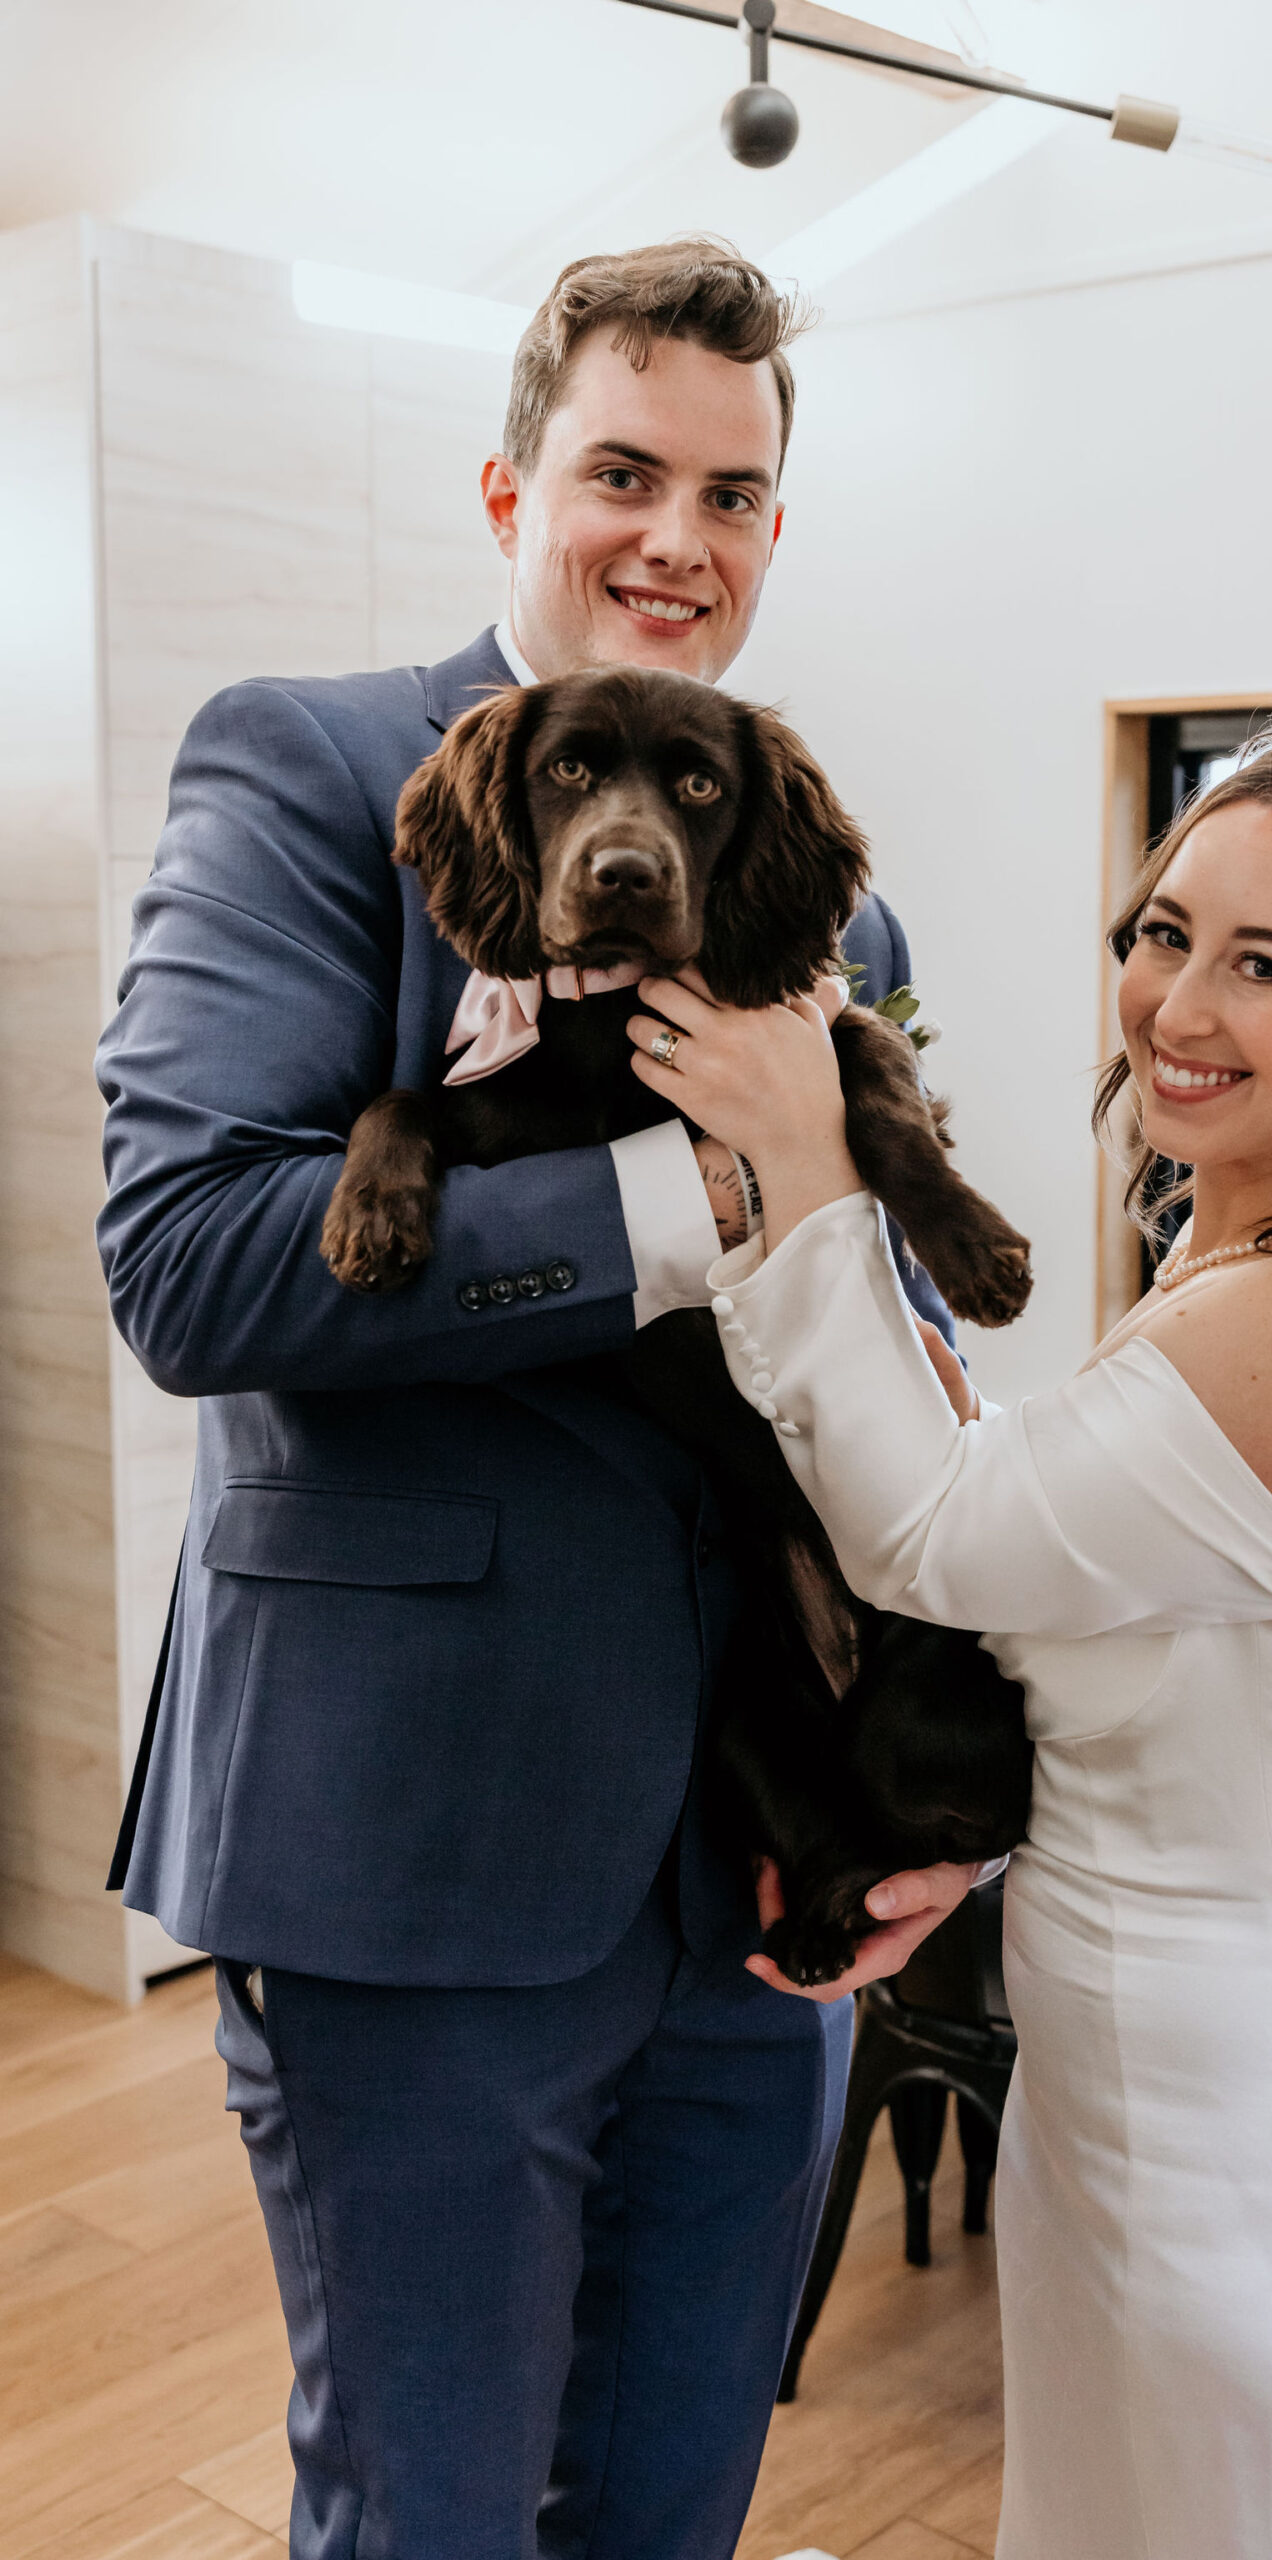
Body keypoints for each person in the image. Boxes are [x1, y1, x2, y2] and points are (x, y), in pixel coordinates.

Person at [95, 239, 981, 2560]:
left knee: (672, 2510)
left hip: (769, 1868)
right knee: (430, 2519)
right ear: (512, 481)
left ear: (775, 534)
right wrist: (693, 1189)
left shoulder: (826, 910)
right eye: (620, 469)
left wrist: (940, 1748)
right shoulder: (306, 764)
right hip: (419, 1851)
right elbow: (184, 1258)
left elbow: (882, 1356)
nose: (673, 534)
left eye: (731, 490)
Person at [628, 683, 1272, 2557]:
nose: (1178, 1009)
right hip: (1138, 2104)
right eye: (1162, 933)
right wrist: (952, 1857)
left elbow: (943, 1535)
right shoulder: (1238, 1244)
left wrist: (805, 1155)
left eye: (1264, 965)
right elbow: (1099, 1607)